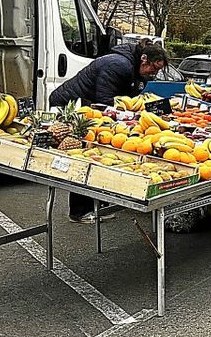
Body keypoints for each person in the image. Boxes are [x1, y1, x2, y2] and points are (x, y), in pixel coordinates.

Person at [49, 40, 169, 223]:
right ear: (143, 59)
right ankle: (80, 211)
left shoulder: (135, 71)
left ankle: (98, 203)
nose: (155, 73)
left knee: (99, 153)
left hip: (90, 107)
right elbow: (104, 103)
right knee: (84, 154)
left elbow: (126, 99)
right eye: (154, 68)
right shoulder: (117, 65)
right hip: (71, 107)